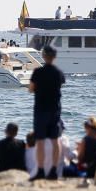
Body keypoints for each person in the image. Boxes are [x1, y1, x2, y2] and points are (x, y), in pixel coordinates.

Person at [29, 45, 66, 180]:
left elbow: (31, 89)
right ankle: (54, 171)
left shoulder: (38, 72)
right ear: (54, 57)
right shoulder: (59, 73)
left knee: (40, 141)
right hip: (55, 110)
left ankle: (40, 170)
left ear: (44, 56)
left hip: (40, 109)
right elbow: (60, 84)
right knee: (55, 141)